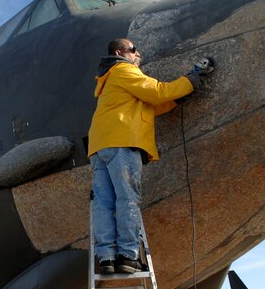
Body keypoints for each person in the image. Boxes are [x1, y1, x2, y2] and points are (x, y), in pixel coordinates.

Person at [87, 38, 214, 274]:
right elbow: (156, 92)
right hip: (121, 142)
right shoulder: (123, 69)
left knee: (104, 203)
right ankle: (127, 254)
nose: (138, 54)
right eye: (134, 50)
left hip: (100, 146)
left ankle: (106, 257)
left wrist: (178, 96)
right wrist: (191, 78)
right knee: (127, 199)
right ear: (120, 52)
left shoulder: (108, 80)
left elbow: (150, 106)